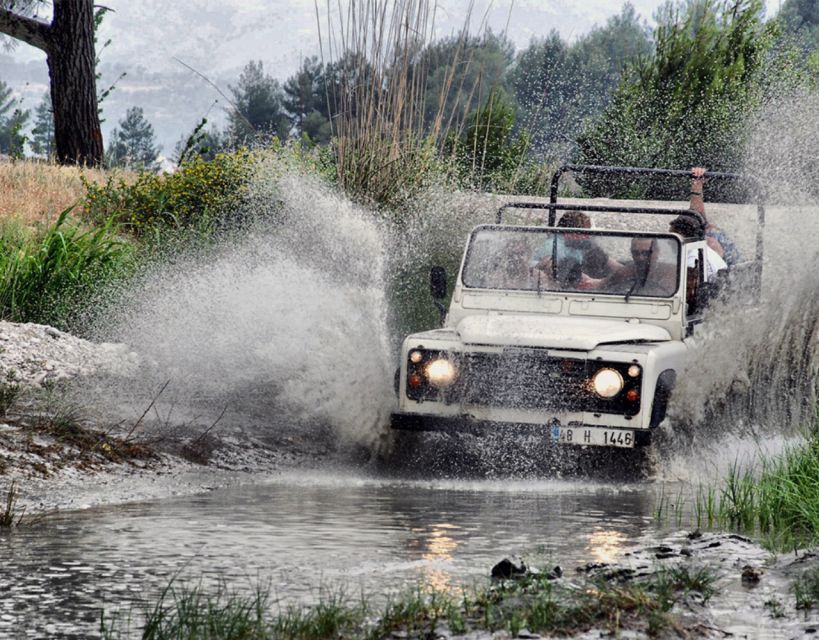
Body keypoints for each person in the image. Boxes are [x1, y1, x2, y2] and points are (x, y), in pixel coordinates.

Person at [688, 167, 739, 268]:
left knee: (710, 236)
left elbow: (698, 219)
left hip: (727, 266)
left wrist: (697, 186)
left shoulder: (713, 238)